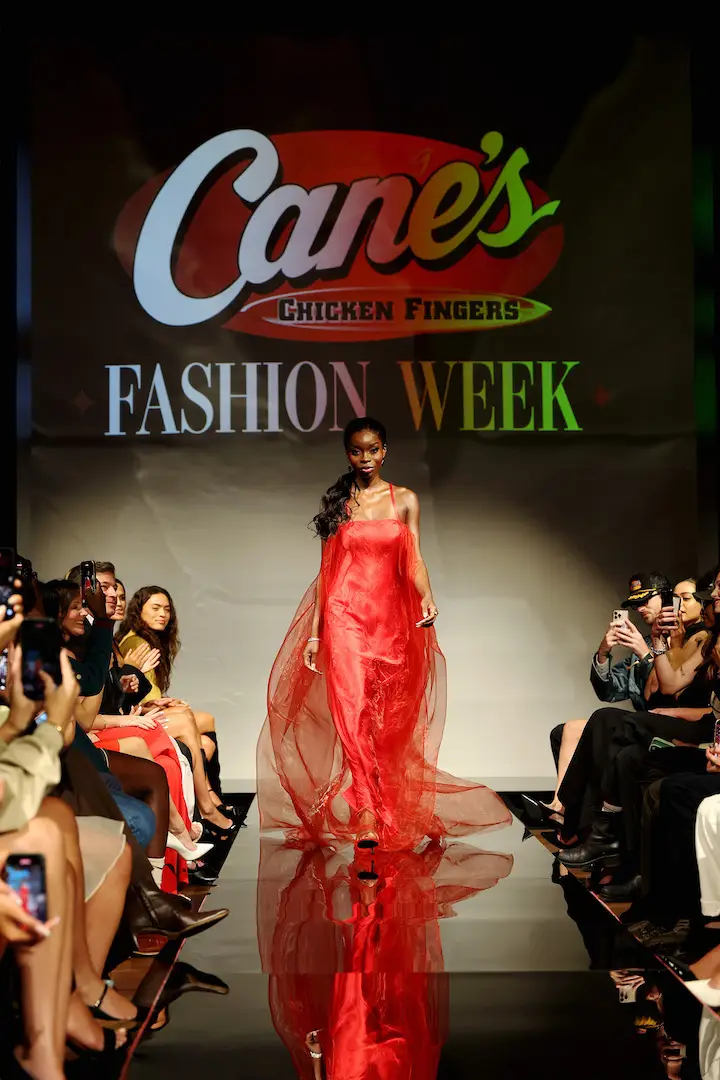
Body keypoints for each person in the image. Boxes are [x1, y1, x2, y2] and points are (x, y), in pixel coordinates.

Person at [257, 416, 510, 851]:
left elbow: (413, 558)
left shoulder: (405, 499)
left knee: (389, 722)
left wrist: (427, 596)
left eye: (373, 449)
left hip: (392, 622)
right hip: (345, 618)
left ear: (385, 450)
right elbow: (326, 573)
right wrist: (315, 635)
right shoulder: (339, 503)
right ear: (347, 453)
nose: (365, 458)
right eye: (357, 450)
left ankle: (388, 803)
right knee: (353, 714)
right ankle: (368, 815)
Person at [116, 584, 233, 832]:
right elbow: (130, 693)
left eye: (167, 609)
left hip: (147, 710)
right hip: (133, 718)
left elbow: (146, 691)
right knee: (190, 721)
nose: (163, 614)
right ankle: (208, 804)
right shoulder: (138, 643)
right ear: (139, 611)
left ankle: (210, 797)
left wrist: (164, 700)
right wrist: (156, 703)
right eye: (155, 608)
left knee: (205, 728)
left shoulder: (146, 639)